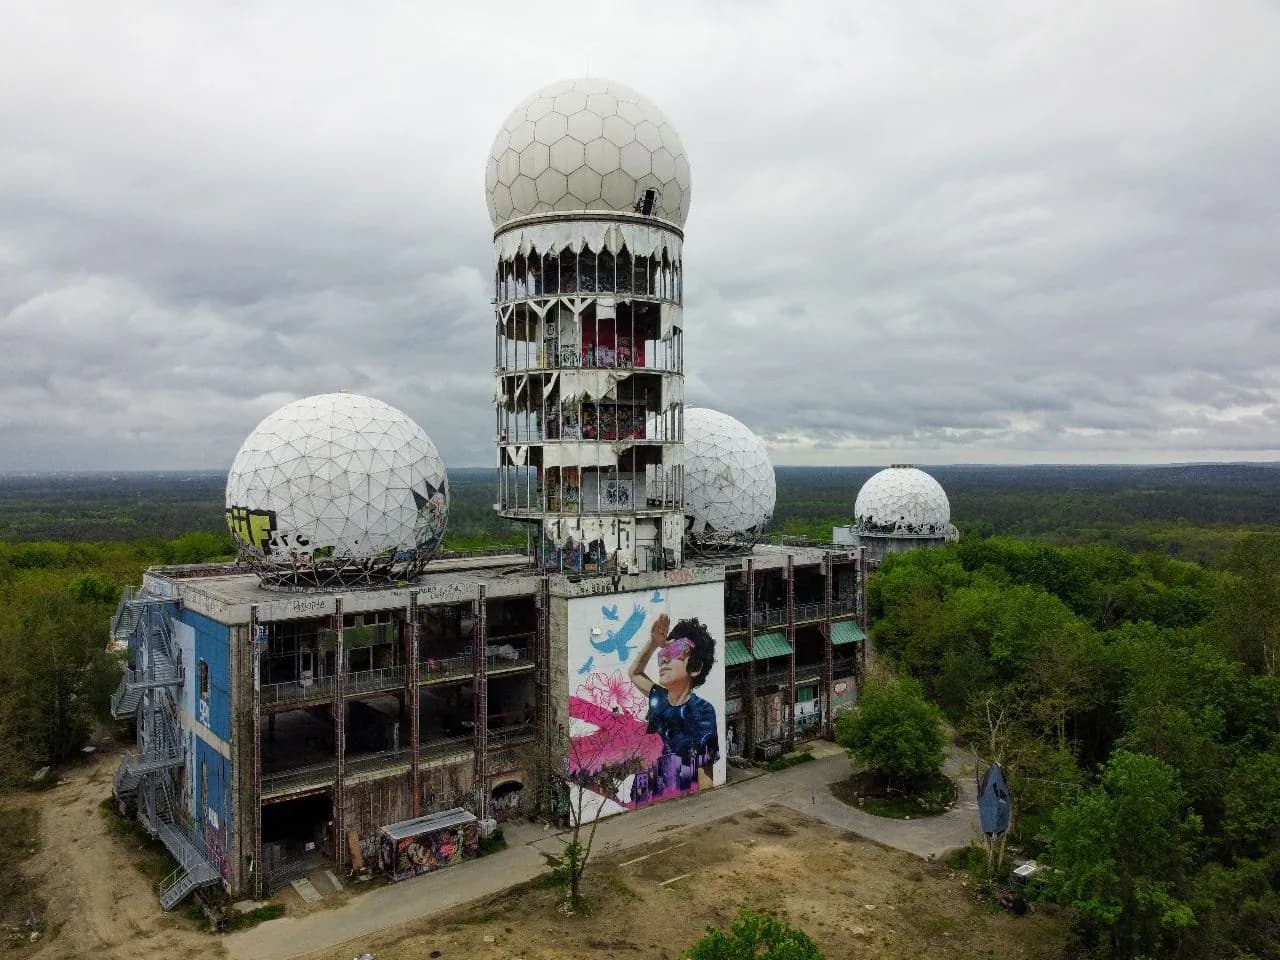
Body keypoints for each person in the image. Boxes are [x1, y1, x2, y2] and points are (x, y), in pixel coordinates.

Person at [628, 613, 719, 791]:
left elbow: (705, 773)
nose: (665, 659)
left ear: (695, 667)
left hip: (678, 803)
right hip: (644, 798)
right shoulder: (659, 697)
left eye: (678, 649)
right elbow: (635, 672)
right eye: (663, 654)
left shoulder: (702, 710)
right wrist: (653, 644)